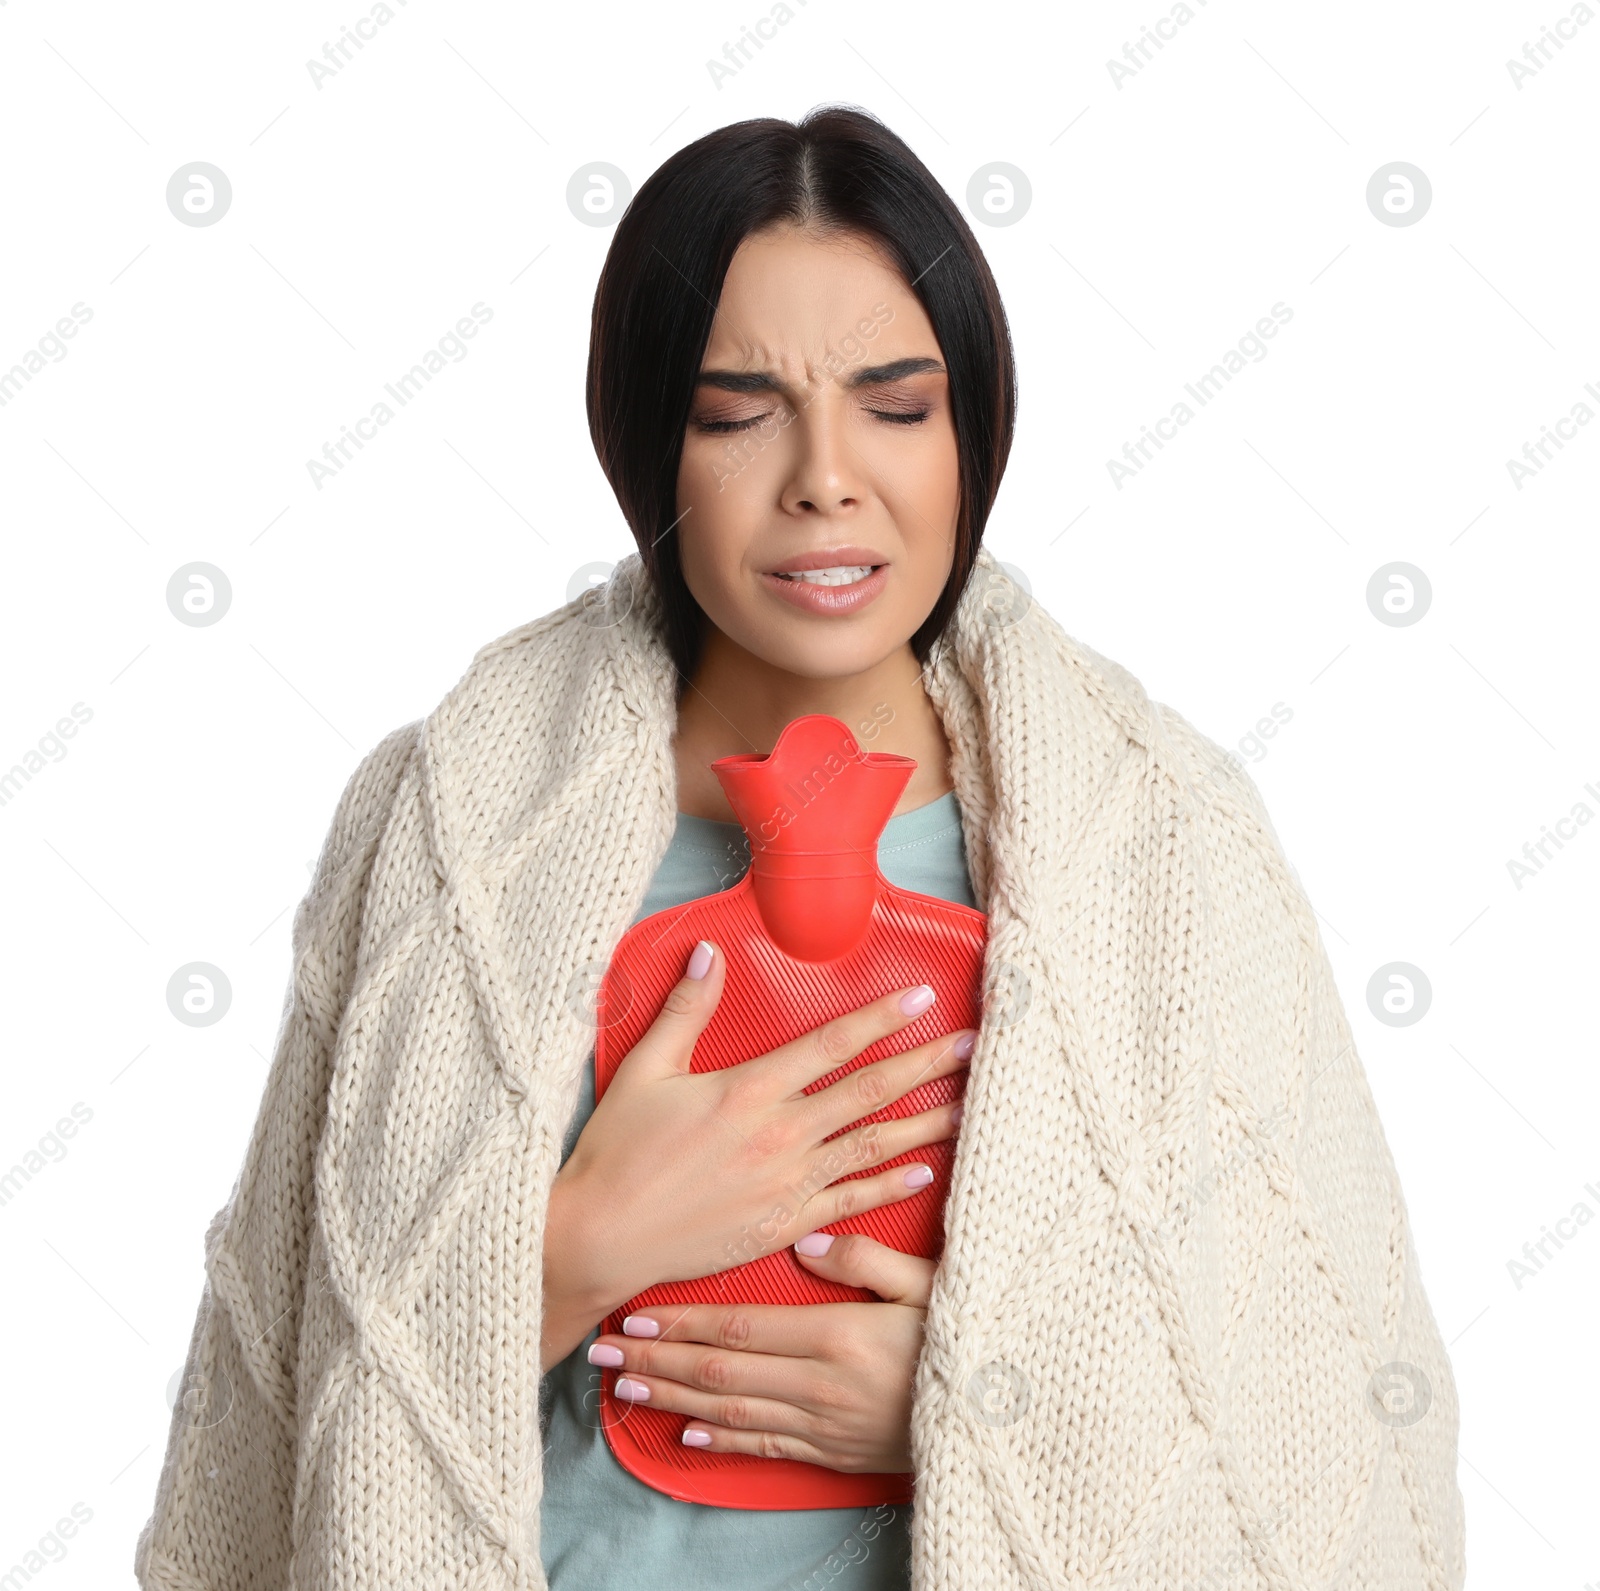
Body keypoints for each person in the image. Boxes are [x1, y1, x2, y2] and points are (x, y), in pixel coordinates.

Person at [136, 107, 1466, 1591]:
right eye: (736, 411)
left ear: (974, 439)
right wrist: (576, 1250)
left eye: (897, 406)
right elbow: (277, 1396)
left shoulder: (1168, 850)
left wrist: (971, 1412)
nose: (826, 476)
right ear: (647, 442)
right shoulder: (442, 836)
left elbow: (1314, 1423)